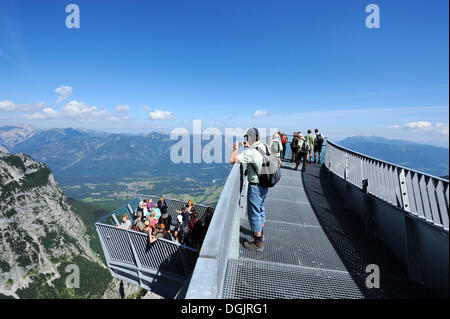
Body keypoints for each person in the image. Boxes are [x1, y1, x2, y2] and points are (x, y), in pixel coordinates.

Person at [229, 127, 268, 252]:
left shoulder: (251, 152)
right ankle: (260, 233)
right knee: (260, 208)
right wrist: (248, 146)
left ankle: (258, 243)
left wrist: (235, 149)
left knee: (254, 213)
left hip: (256, 185)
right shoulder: (263, 146)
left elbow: (232, 160)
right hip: (265, 183)